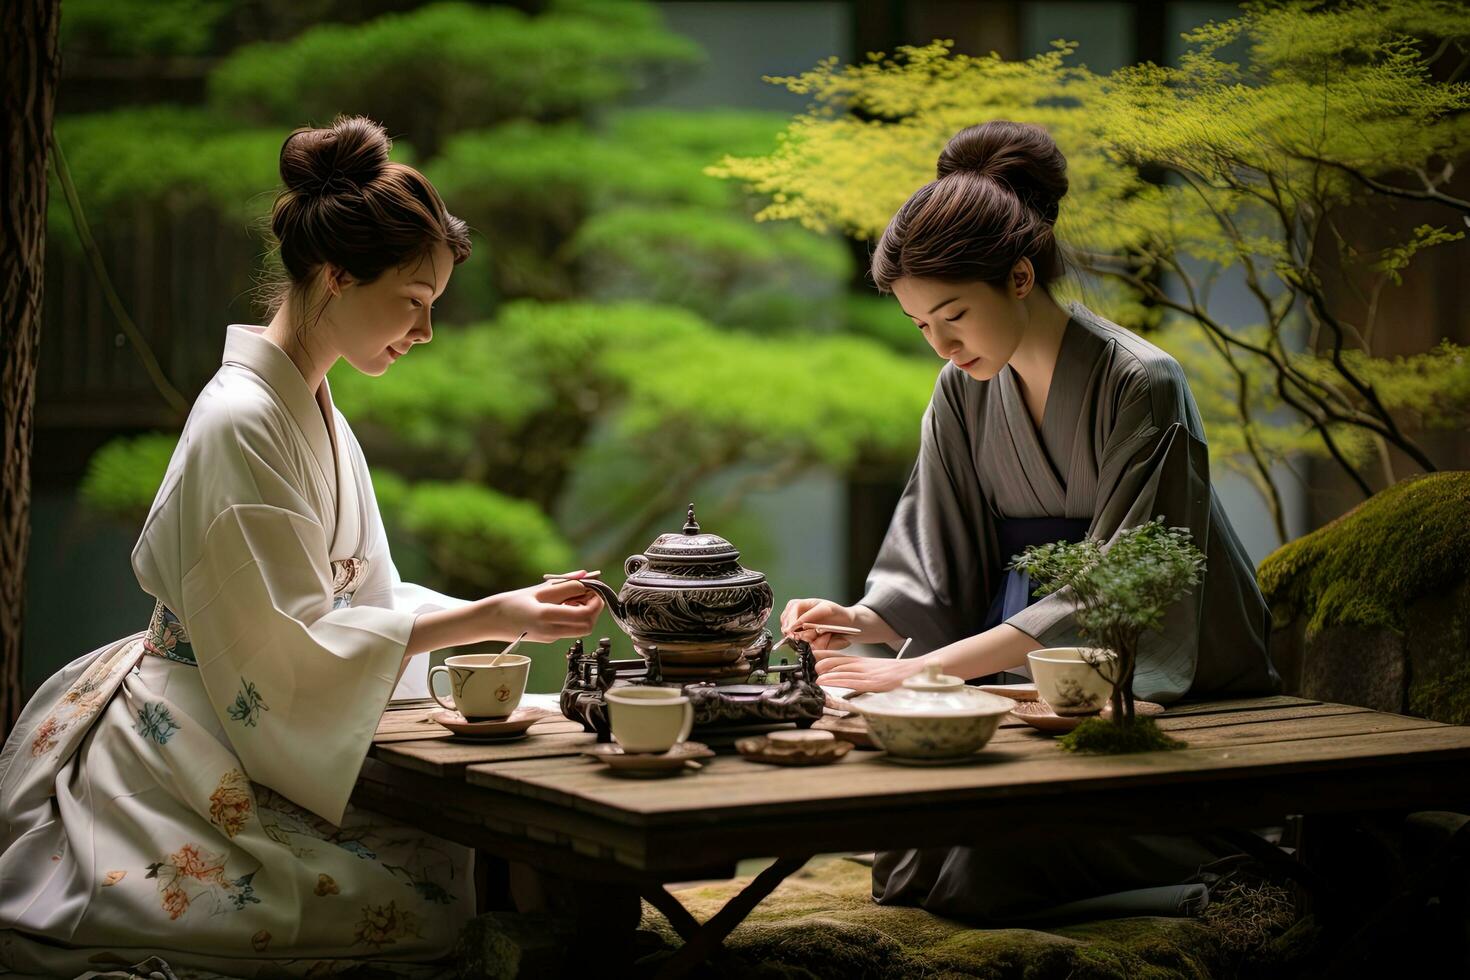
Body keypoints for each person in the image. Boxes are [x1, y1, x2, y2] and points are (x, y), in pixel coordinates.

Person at [0, 115, 603, 978]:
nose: (425, 333)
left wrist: (501, 613)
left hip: (255, 699)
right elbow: (287, 646)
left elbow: (360, 599)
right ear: (335, 275)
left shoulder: (310, 405)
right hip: (202, 721)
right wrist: (481, 616)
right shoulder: (244, 418)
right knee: (381, 900)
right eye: (414, 302)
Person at [781, 120, 1280, 923]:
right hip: (1024, 691)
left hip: (1159, 701)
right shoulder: (961, 391)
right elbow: (936, 556)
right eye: (921, 327)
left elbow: (1118, 587)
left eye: (954, 316)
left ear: (1019, 276)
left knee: (986, 851)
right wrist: (864, 620)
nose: (943, 346)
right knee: (913, 850)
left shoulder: (1142, 382)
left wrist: (914, 674)